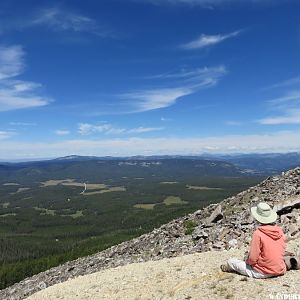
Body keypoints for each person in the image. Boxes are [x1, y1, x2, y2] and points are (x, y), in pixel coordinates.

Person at [221, 202, 286, 279]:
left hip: (263, 272)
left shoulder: (258, 233)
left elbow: (253, 259)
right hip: (280, 269)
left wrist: (248, 261)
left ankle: (227, 268)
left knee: (231, 262)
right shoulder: (279, 231)